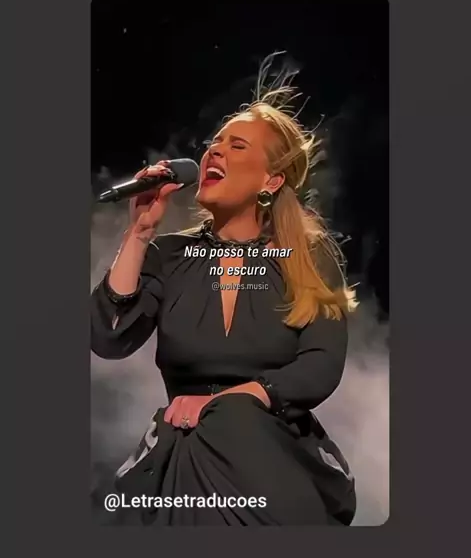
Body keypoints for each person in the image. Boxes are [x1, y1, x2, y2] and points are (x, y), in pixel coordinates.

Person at [91, 83, 358, 526]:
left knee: (231, 425)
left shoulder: (307, 259)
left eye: (237, 146)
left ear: (271, 180)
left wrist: (227, 402)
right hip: (184, 452)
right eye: (214, 143)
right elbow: (108, 336)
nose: (214, 152)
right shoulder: (169, 256)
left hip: (271, 451)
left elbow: (321, 364)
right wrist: (139, 234)